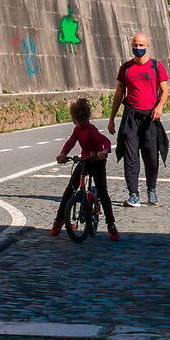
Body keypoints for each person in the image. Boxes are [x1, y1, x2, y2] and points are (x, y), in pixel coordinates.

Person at [109, 34, 170, 207]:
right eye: (135, 44)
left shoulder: (156, 66)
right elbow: (119, 93)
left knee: (151, 156)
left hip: (150, 117)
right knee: (130, 157)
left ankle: (151, 189)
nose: (138, 47)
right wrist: (112, 118)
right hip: (130, 117)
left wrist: (159, 107)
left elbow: (165, 91)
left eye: (141, 44)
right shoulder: (126, 68)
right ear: (131, 45)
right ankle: (133, 194)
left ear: (147, 45)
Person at [50, 98, 120, 241]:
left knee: (102, 192)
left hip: (96, 162)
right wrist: (63, 154)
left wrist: (104, 152)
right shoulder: (78, 130)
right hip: (84, 161)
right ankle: (58, 221)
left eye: (78, 120)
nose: (78, 123)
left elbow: (105, 141)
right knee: (70, 190)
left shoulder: (91, 130)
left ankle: (111, 225)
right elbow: (70, 142)